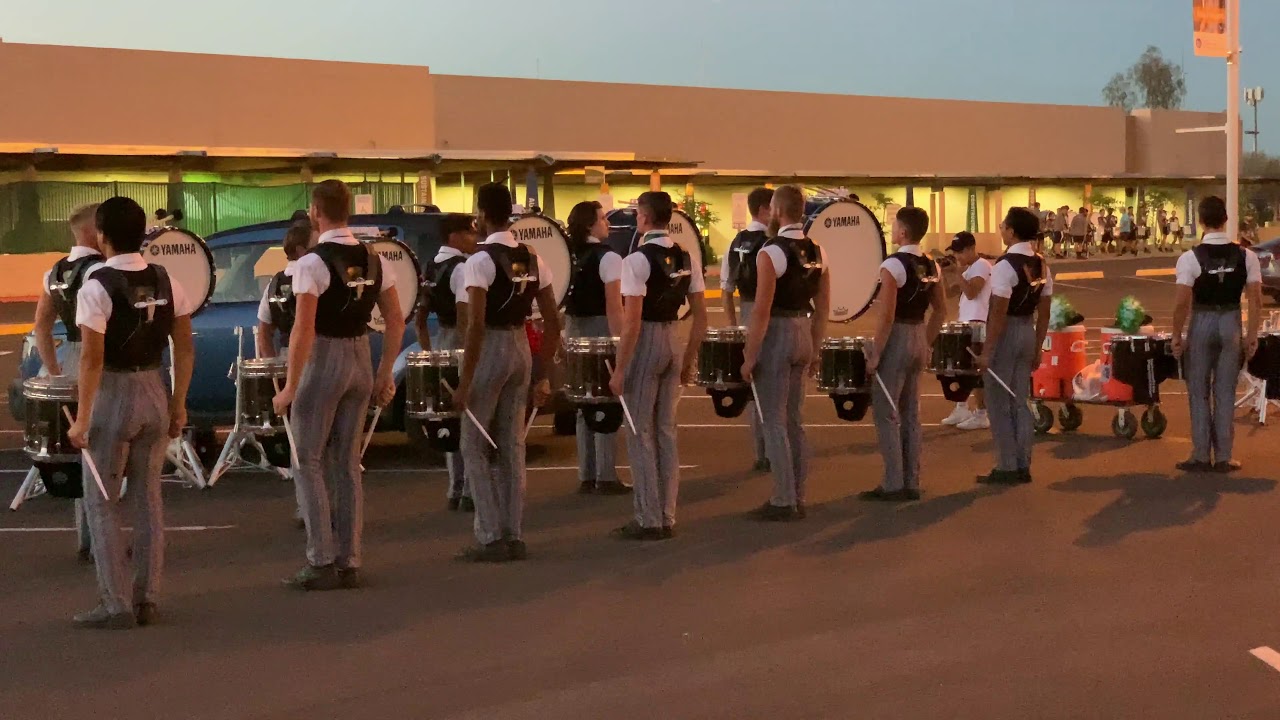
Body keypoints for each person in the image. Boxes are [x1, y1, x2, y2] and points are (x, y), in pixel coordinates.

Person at [66, 196, 195, 628]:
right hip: (155, 387)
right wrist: (178, 403)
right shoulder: (167, 281)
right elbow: (184, 345)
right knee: (149, 498)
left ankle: (115, 603)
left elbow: (91, 359)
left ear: (101, 236)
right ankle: (148, 598)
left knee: (102, 500)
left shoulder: (96, 285)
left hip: (113, 393)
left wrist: (82, 418)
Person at [272, 180, 405, 591]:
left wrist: (290, 385)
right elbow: (396, 319)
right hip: (361, 354)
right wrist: (385, 373)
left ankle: (320, 559)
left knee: (307, 459)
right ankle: (350, 558)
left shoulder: (312, 263)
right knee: (347, 461)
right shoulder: (375, 258)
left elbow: (302, 329)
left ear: (315, 211)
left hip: (325, 357)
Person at [454, 183, 560, 562]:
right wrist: (543, 374)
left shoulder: (478, 262)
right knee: (513, 444)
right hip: (522, 347)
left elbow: (475, 325)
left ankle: (489, 534)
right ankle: (514, 533)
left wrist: (464, 384)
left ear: (481, 214)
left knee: (474, 443)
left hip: (492, 348)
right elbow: (552, 319)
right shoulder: (533, 258)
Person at [608, 191, 708, 538]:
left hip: (647, 340)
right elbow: (702, 316)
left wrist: (620, 368)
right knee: (666, 431)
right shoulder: (686, 257)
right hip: (674, 339)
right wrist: (689, 358)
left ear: (645, 217)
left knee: (640, 431)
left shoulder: (636, 260)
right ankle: (667, 513)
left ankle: (648, 517)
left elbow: (632, 321)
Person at [740, 185, 830, 521]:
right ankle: (799, 493)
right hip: (804, 331)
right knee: (795, 420)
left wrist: (749, 355)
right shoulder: (819, 250)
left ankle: (783, 498)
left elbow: (760, 310)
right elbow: (823, 306)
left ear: (776, 210)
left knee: (774, 420)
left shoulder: (771, 251)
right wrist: (816, 347)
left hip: (777, 333)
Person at [33, 203, 102, 563]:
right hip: (99, 357)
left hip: (71, 358)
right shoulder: (101, 271)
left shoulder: (53, 273)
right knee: (106, 449)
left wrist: (54, 371)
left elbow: (41, 326)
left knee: (80, 449)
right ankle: (106, 537)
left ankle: (85, 537)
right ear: (95, 231)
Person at [1172, 196, 1262, 472]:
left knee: (1198, 390)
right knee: (1225, 390)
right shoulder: (1247, 256)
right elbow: (1256, 299)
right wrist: (1253, 335)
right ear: (1226, 220)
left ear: (1200, 221)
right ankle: (1224, 456)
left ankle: (1200, 454)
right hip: (1231, 321)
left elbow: (1181, 303)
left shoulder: (1190, 258)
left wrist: (1177, 335)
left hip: (1201, 321)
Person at [864, 207, 945, 502]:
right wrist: (926, 342)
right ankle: (911, 480)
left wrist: (875, 353)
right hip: (918, 334)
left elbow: (885, 317)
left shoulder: (893, 266)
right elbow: (941, 310)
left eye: (895, 225)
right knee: (911, 413)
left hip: (897, 336)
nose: (892, 229)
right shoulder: (932, 265)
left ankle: (892, 482)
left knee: (886, 412)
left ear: (904, 232)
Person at [977, 207, 1053, 485]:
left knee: (998, 401)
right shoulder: (1042, 264)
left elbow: (998, 312)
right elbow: (1044, 311)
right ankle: (1023, 463)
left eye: (1003, 225)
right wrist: (1038, 346)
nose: (1000, 228)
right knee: (1020, 400)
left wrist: (987, 350)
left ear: (1011, 231)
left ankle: (1007, 465)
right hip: (1028, 331)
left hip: (1007, 332)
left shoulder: (1005, 266)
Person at [563, 200, 628, 496]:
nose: (608, 224)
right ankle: (606, 475)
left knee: (583, 402)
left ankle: (586, 474)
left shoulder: (569, 254)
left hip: (574, 329)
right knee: (606, 401)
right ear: (590, 224)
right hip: (601, 329)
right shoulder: (608, 257)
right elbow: (614, 307)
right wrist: (622, 342)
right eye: (603, 219)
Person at [417, 213, 479, 511]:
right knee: (467, 416)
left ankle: (454, 488)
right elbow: (466, 317)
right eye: (469, 232)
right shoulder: (462, 268)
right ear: (454, 236)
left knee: (449, 417)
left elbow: (419, 320)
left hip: (440, 340)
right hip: (459, 342)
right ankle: (468, 490)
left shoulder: (431, 266)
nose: (474, 238)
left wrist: (430, 354)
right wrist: (471, 354)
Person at [720, 186, 774, 472]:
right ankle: (776, 448)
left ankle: (760, 451)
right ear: (765, 210)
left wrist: (733, 327)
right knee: (776, 385)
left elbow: (727, 288)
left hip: (746, 313)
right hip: (771, 313)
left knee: (753, 384)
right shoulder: (773, 243)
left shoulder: (736, 241)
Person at [940, 231, 991, 430]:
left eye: (960, 252)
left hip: (978, 324)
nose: (958, 257)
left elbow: (971, 292)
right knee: (961, 369)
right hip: (965, 324)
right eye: (955, 253)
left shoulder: (982, 266)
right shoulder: (968, 268)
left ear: (971, 248)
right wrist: (946, 274)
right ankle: (961, 406)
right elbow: (951, 293)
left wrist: (958, 273)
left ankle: (981, 414)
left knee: (975, 372)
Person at [256, 219, 312, 359]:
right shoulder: (314, 278)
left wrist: (273, 369)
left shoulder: (274, 285)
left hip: (285, 358)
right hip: (315, 358)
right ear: (301, 250)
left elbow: (263, 332)